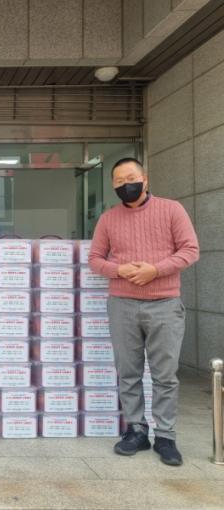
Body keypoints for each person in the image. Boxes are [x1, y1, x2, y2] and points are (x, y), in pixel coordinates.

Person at [88, 157, 199, 466]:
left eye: (131, 178)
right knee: (128, 372)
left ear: (145, 179)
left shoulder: (172, 209)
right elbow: (95, 259)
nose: (126, 185)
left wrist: (156, 270)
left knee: (165, 375)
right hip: (122, 304)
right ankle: (136, 430)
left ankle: (166, 436)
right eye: (119, 181)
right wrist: (119, 270)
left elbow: (190, 250)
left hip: (165, 304)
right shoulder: (108, 219)